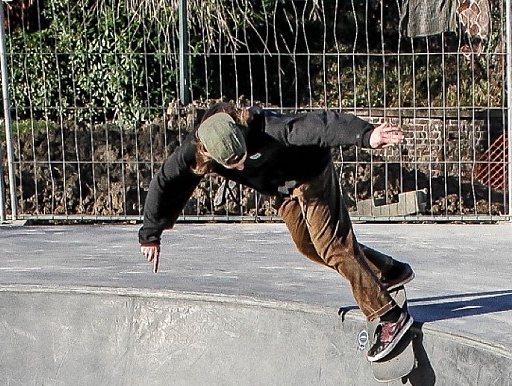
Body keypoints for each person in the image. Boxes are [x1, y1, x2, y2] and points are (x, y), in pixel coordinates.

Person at [139, 104, 416, 363]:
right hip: (281, 190)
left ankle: (389, 316)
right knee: (307, 246)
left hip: (311, 176)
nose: (241, 167)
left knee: (332, 246)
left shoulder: (268, 127)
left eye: (243, 157)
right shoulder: (196, 149)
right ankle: (387, 271)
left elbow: (321, 125)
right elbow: (166, 181)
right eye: (232, 165)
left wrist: (367, 135)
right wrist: (151, 234)